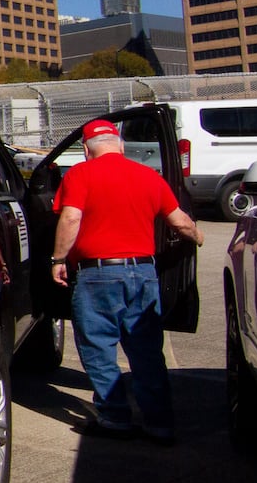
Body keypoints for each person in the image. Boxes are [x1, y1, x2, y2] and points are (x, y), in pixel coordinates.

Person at [50, 118, 203, 443]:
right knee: (147, 350)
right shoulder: (149, 176)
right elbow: (180, 223)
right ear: (120, 145)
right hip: (143, 273)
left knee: (98, 346)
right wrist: (198, 236)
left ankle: (115, 418)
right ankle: (159, 424)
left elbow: (71, 216)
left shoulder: (79, 174)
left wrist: (59, 258)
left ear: (85, 150)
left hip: (97, 274)